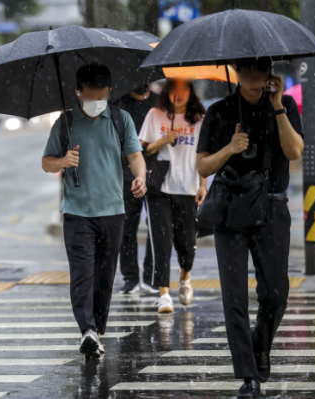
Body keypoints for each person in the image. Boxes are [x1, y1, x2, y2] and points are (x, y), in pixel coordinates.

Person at [197, 58, 303, 395]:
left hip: (271, 206)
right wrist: (229, 148)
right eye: (247, 73)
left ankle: (261, 342)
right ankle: (248, 375)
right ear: (236, 73)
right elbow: (202, 166)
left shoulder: (284, 104)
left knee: (276, 293)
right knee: (234, 296)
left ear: (269, 73)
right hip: (230, 209)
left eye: (260, 73)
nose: (254, 80)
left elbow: (295, 150)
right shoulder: (220, 111)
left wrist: (277, 108)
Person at [42, 63, 147, 358]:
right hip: (77, 213)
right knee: (82, 274)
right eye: (90, 96)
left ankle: (95, 331)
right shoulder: (65, 123)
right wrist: (62, 161)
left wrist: (140, 176)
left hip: (113, 210)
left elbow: (135, 155)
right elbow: (46, 162)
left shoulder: (120, 118)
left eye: (101, 96)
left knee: (104, 276)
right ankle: (87, 328)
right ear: (78, 93)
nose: (96, 102)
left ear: (109, 92)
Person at [138, 78, 207, 313]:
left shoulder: (199, 120)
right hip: (159, 188)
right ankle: (164, 294)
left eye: (183, 90)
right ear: (167, 93)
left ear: (190, 93)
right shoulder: (155, 115)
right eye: (174, 90)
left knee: (187, 243)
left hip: (187, 188)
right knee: (161, 240)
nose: (179, 94)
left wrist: (203, 184)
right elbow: (141, 149)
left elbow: (203, 155)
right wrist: (163, 140)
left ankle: (185, 276)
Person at [112, 84, 158, 295]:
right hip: (126, 173)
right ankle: (130, 278)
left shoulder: (159, 102)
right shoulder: (118, 103)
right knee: (127, 228)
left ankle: (151, 277)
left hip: (158, 173)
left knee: (156, 227)